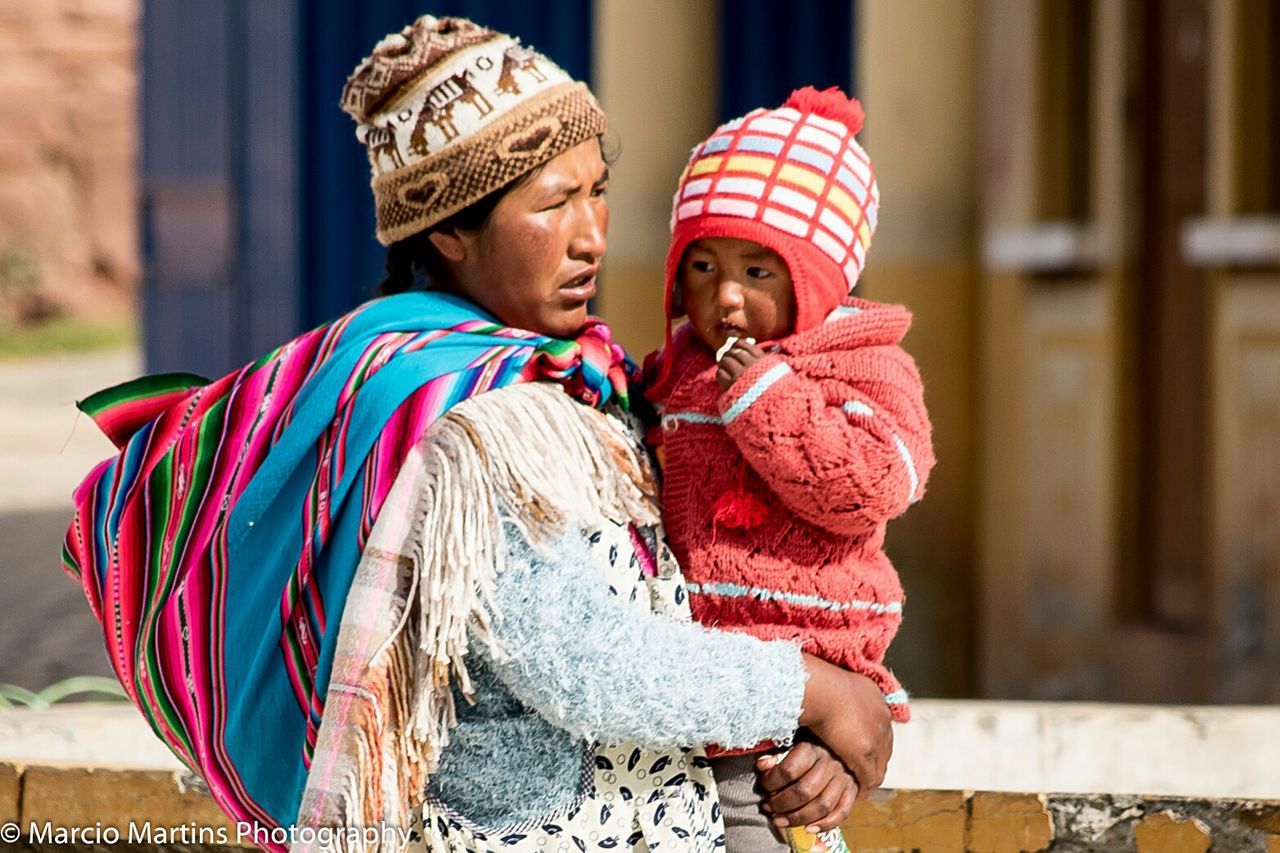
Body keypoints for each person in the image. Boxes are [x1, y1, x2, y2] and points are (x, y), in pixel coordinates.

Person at [61, 17, 891, 853]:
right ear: (451, 231)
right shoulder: (472, 420)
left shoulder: (564, 374)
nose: (593, 235)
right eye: (554, 203)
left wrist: (801, 731)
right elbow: (586, 661)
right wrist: (816, 691)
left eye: (597, 189)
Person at [644, 87, 936, 851]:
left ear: (818, 280)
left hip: (802, 672)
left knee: (760, 823)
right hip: (702, 669)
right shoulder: (683, 361)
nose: (725, 297)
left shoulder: (862, 363)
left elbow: (880, 479)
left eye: (758, 272)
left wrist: (766, 399)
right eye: (701, 265)